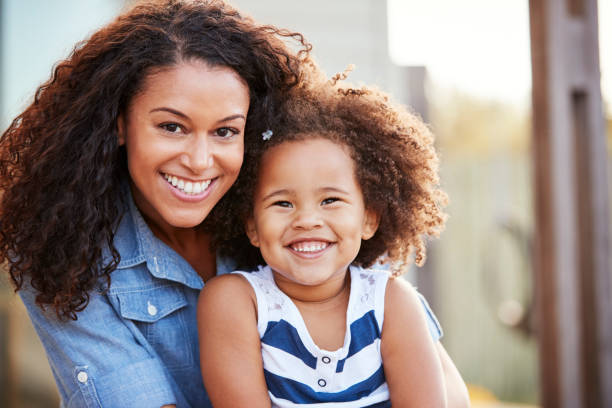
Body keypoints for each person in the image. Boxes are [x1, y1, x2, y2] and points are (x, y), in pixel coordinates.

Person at [0, 0, 467, 407]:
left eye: (225, 131)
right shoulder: (61, 245)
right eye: (172, 127)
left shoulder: (313, 221)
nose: (200, 161)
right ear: (118, 124)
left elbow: (445, 389)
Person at [198, 76, 470, 407]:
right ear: (252, 226)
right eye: (283, 203)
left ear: (369, 218)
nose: (307, 220)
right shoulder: (238, 302)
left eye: (330, 201)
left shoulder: (391, 304)